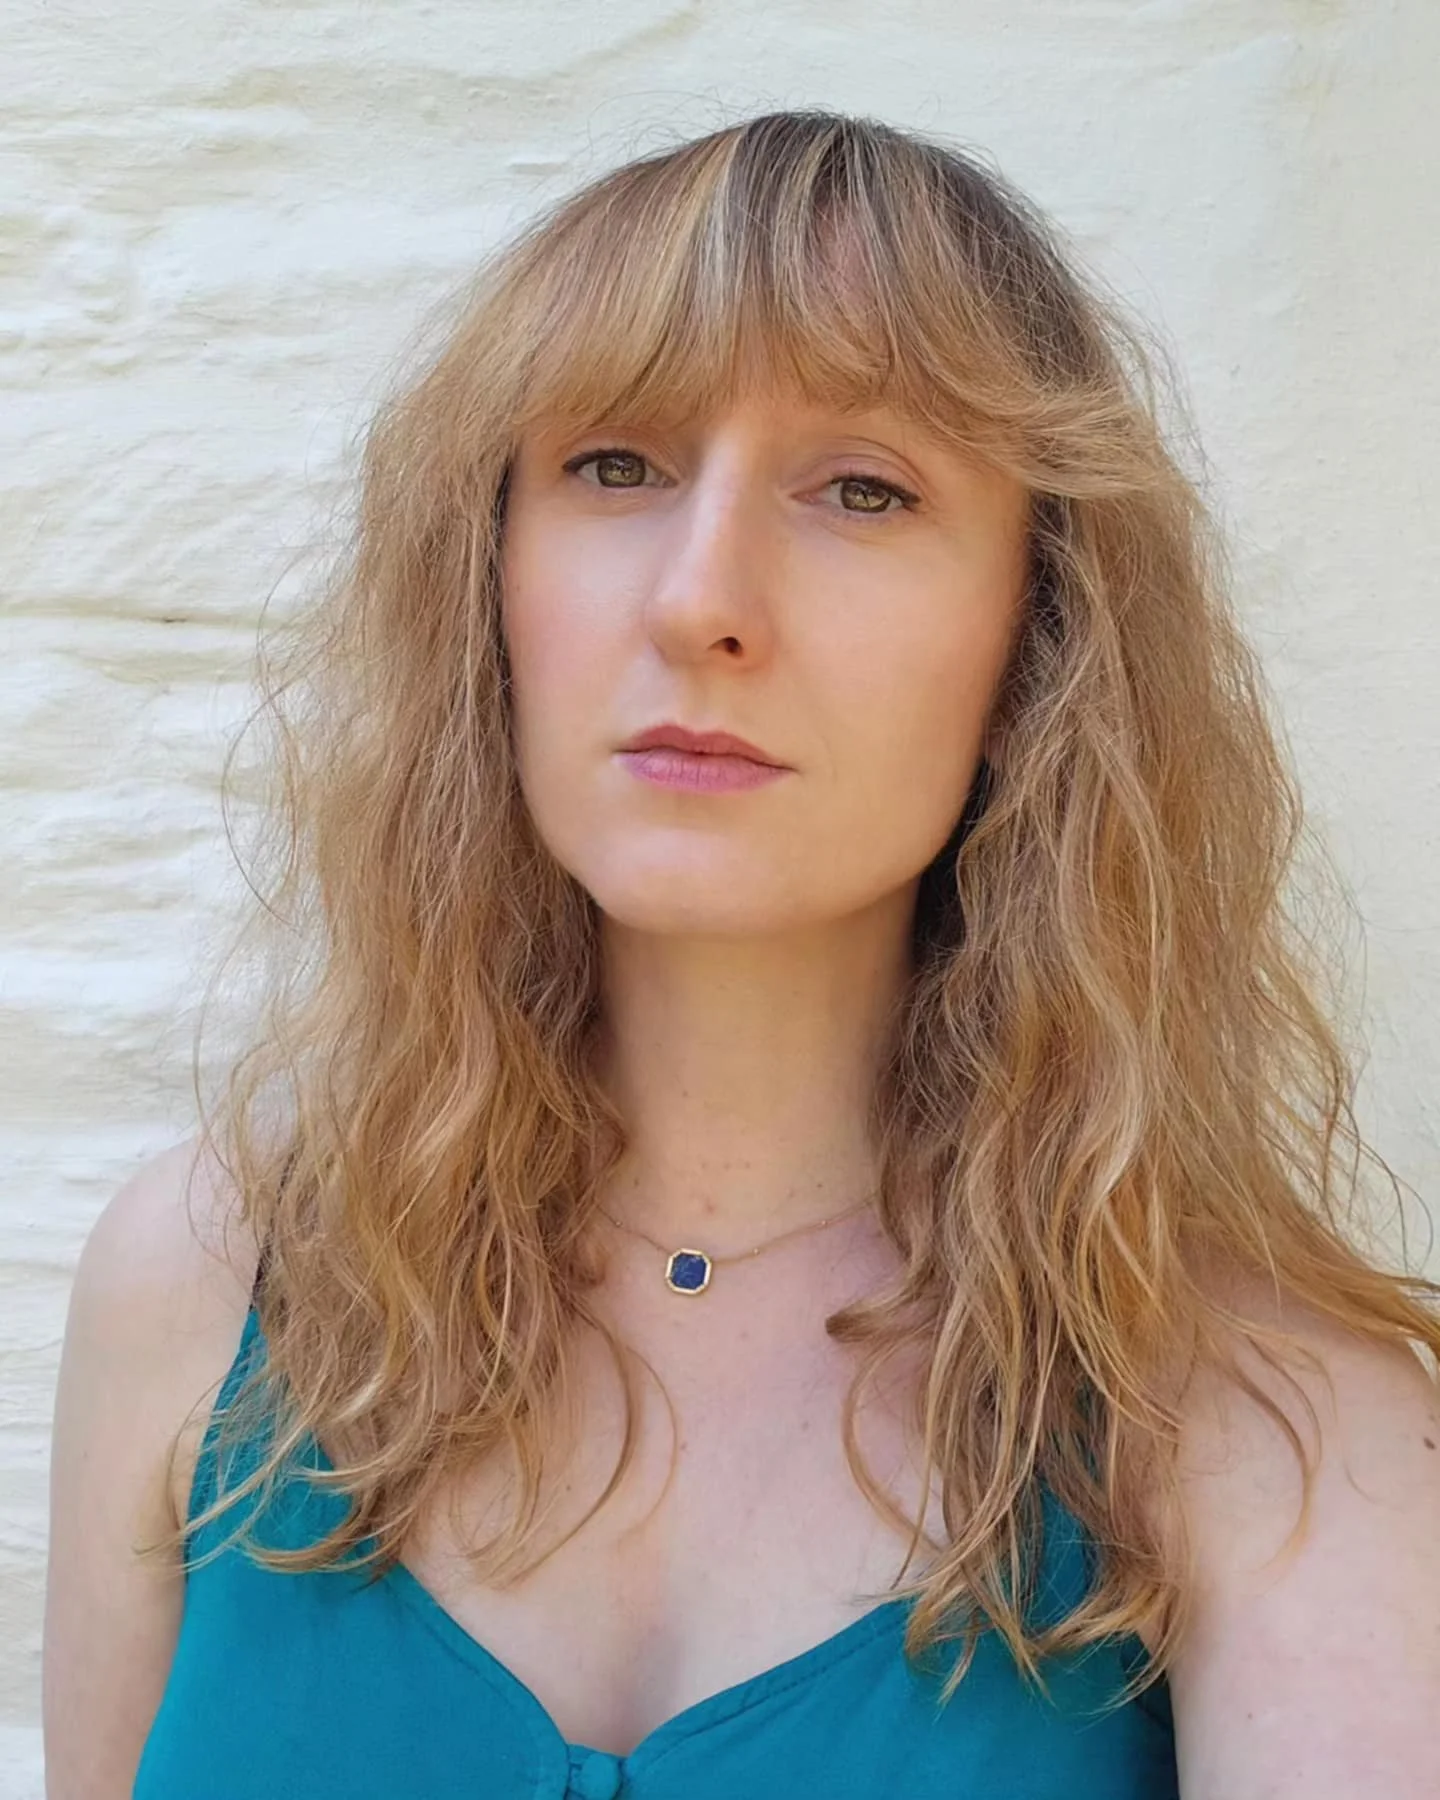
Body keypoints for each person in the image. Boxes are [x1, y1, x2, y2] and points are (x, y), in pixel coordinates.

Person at [42, 109, 1440, 1800]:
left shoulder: (1281, 1432)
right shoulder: (204, 1284)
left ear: (1034, 651)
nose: (701, 598)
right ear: (488, 582)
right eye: (614, 467)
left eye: (864, 487)